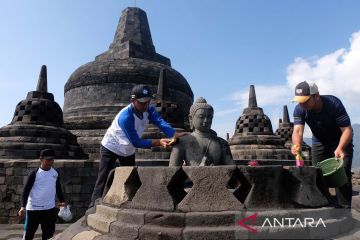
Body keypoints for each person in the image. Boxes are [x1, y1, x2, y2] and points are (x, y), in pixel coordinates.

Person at [89, 84, 184, 207]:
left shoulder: (148, 108)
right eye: (142, 102)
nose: (145, 105)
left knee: (131, 177)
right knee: (103, 177)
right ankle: (93, 206)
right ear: (133, 101)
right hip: (111, 146)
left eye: (148, 102)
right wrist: (159, 142)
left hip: (127, 149)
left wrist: (173, 133)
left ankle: (133, 202)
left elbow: (159, 121)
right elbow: (137, 142)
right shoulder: (126, 117)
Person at [291, 81, 353, 208]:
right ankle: (325, 207)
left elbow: (347, 130)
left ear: (316, 96)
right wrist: (296, 146)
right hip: (319, 142)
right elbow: (297, 131)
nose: (302, 104)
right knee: (317, 175)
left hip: (340, 140)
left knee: (342, 176)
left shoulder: (333, 104)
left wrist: (340, 148)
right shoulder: (299, 109)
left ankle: (345, 210)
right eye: (299, 101)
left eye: (305, 100)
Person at [169, 97, 233, 166]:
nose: (206, 120)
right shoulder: (181, 142)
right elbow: (172, 173)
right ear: (191, 118)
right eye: (201, 117)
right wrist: (199, 170)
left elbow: (231, 171)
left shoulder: (222, 143)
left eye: (209, 117)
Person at [19, 149, 66, 240]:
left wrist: (62, 201)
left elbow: (58, 188)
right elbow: (26, 190)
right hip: (33, 209)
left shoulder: (55, 173)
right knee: (28, 235)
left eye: (52, 160)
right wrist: (22, 206)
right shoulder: (34, 174)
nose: (50, 162)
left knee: (48, 235)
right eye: (48, 160)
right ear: (41, 159)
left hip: (49, 209)